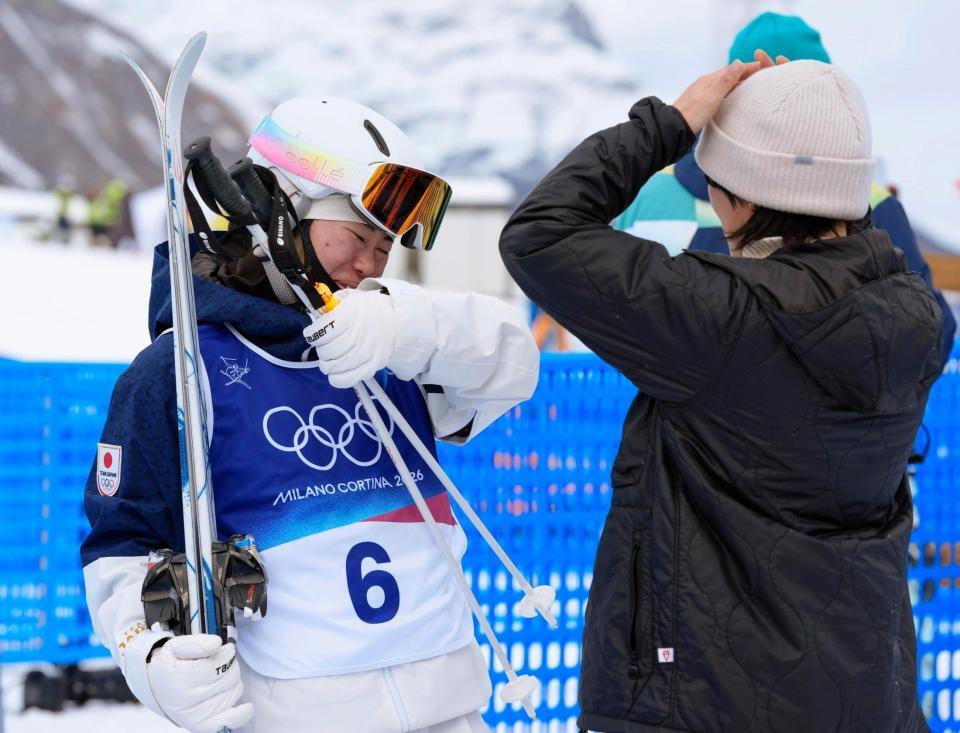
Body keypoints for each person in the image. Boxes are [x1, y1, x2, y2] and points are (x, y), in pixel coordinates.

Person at [500, 55, 939, 733]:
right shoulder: (914, 317)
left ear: (740, 194)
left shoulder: (719, 318)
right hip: (865, 694)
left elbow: (540, 234)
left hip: (703, 699)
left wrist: (671, 122)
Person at [81, 96, 540, 733]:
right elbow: (122, 543)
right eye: (357, 237)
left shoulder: (389, 342)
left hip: (449, 709)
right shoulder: (180, 372)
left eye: (386, 248)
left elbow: (511, 367)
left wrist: (409, 326)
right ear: (280, 214)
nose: (370, 266)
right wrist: (145, 653)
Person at [613, 11, 956, 364]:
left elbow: (599, 306)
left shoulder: (645, 194)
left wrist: (665, 126)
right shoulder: (872, 205)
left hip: (649, 411)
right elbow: (932, 337)